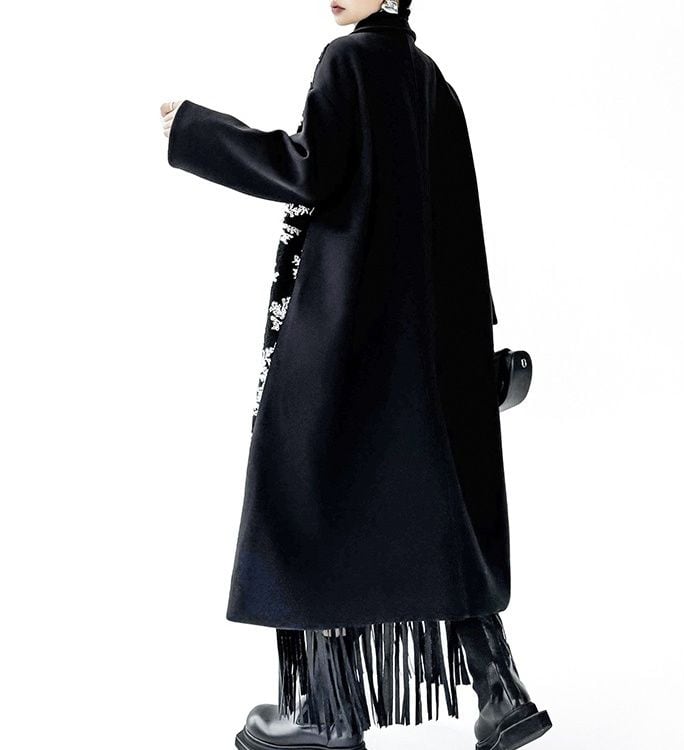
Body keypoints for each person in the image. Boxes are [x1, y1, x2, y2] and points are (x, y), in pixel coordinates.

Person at [161, 2, 552, 749]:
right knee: (435, 514)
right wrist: (470, 348)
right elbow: (461, 224)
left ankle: (327, 714)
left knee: (306, 501)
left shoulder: (347, 61)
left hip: (345, 336)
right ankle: (501, 693)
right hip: (427, 348)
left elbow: (309, 169)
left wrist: (193, 129)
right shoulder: (431, 79)